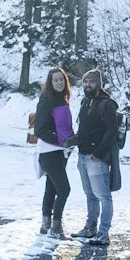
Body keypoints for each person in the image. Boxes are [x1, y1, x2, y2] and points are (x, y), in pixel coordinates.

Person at [73, 65, 123, 245]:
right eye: (85, 81)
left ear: (98, 84)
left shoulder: (107, 103)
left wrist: (99, 154)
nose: (87, 85)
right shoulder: (85, 102)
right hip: (82, 156)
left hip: (96, 158)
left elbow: (112, 132)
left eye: (92, 82)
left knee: (103, 196)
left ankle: (103, 233)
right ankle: (90, 228)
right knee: (89, 194)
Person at [30, 66, 75, 239]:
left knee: (51, 187)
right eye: (55, 80)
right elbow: (39, 130)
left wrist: (71, 139)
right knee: (64, 189)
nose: (59, 82)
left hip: (60, 151)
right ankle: (56, 228)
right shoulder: (46, 100)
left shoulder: (62, 99)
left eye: (61, 79)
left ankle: (46, 225)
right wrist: (60, 140)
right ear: (50, 83)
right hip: (49, 151)